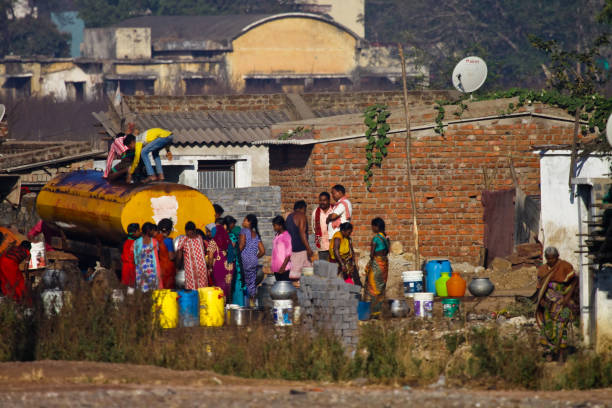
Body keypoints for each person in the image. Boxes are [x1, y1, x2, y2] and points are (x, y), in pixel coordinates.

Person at [536, 247, 579, 362]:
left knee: (561, 328)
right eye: (548, 258)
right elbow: (540, 288)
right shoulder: (543, 270)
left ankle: (560, 354)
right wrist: (541, 301)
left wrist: (567, 298)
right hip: (548, 303)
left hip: (563, 303)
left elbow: (574, 282)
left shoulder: (565, 266)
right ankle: (549, 353)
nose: (550, 261)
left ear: (557, 256)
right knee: (548, 328)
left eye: (552, 258)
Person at [365, 218, 390, 317]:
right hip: (384, 264)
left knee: (373, 286)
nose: (372, 228)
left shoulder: (375, 239)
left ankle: (375, 312)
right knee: (381, 286)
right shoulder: (386, 238)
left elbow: (371, 254)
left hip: (376, 264)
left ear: (376, 227)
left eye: (372, 226)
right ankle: (380, 311)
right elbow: (387, 251)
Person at [239, 214, 265, 305]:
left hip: (244, 260)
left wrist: (236, 254)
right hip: (253, 261)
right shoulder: (255, 234)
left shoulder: (244, 231)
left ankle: (244, 304)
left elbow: (241, 245)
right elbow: (262, 251)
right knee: (252, 283)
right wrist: (254, 257)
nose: (243, 222)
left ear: (249, 222)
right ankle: (252, 303)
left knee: (243, 282)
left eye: (245, 220)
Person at [175, 221, 209, 290]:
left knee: (191, 289)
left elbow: (179, 256)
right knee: (202, 289)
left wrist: (177, 267)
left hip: (190, 269)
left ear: (186, 230)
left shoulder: (183, 239)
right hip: (202, 268)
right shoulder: (199, 238)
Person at [285, 200, 313, 280]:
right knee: (307, 275)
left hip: (291, 251)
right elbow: (302, 234)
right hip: (301, 250)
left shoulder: (289, 217)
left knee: (294, 276)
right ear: (303, 208)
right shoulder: (301, 216)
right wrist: (309, 249)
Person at [205, 220, 234, 298]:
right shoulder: (228, 240)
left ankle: (221, 305)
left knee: (219, 288)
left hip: (219, 267)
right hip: (229, 266)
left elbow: (210, 257)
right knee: (227, 288)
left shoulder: (213, 242)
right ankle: (227, 304)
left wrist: (210, 268)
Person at [225, 216, 246, 306]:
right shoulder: (230, 235)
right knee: (235, 285)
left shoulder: (230, 235)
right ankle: (237, 307)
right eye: (233, 223)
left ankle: (237, 307)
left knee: (236, 285)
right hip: (234, 264)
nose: (234, 225)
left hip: (234, 264)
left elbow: (231, 250)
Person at [133, 222, 160, 291]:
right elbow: (157, 257)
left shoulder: (136, 242)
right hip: (152, 271)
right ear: (149, 231)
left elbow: (135, 259)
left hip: (140, 271)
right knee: (153, 292)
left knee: (142, 292)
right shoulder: (154, 242)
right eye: (152, 230)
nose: (153, 232)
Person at [312, 192, 333, 261]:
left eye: (324, 200)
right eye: (320, 200)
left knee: (334, 267)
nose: (322, 202)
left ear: (329, 200)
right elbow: (313, 228)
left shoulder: (334, 210)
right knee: (323, 267)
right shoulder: (315, 212)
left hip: (334, 244)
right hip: (322, 245)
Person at [155, 218, 176, 289]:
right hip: (168, 268)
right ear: (169, 230)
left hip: (159, 266)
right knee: (168, 289)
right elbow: (171, 257)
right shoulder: (168, 241)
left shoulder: (156, 239)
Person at [271, 216, 292, 281]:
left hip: (284, 269)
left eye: (275, 226)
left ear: (280, 226)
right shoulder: (277, 235)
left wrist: (283, 267)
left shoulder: (286, 236)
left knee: (284, 289)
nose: (274, 228)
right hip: (277, 268)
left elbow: (288, 254)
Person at [121, 223, 140, 287]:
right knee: (131, 287)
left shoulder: (126, 242)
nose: (139, 232)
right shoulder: (135, 243)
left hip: (125, 268)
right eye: (138, 231)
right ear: (135, 232)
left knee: (125, 286)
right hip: (131, 268)